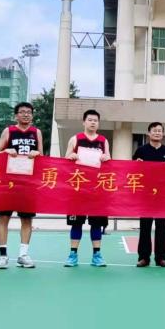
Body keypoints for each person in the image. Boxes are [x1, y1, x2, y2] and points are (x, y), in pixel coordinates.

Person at [0, 102, 43, 269]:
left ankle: (23, 255)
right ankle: (3, 255)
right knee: (4, 218)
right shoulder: (8, 131)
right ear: (16, 115)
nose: (25, 114)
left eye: (29, 112)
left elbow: (42, 157)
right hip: (8, 182)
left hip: (28, 183)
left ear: (32, 115)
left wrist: (37, 153)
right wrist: (5, 151)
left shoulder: (36, 132)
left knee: (27, 219)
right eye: (22, 112)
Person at [64, 109, 111, 267]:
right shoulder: (75, 139)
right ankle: (73, 255)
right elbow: (66, 159)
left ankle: (97, 255)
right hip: (78, 188)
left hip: (97, 188)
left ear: (98, 123)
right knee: (76, 223)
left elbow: (109, 159)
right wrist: (71, 156)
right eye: (90, 120)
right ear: (84, 122)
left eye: (95, 120)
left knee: (96, 223)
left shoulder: (103, 140)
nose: (92, 122)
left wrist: (106, 157)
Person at [133, 121, 165, 267]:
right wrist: (136, 164)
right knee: (145, 226)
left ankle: (161, 257)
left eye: (159, 131)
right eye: (154, 130)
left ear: (163, 133)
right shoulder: (141, 150)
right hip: (146, 195)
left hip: (163, 195)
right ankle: (144, 257)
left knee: (162, 227)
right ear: (149, 133)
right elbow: (132, 171)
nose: (157, 133)